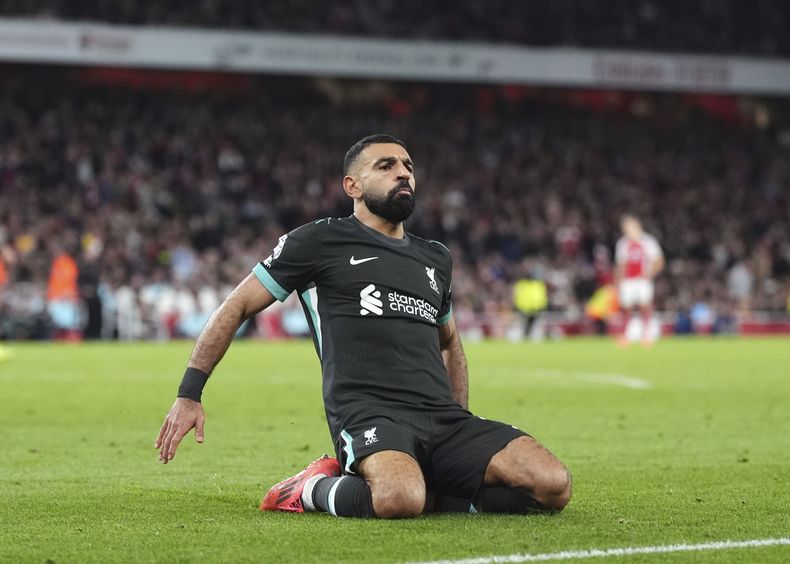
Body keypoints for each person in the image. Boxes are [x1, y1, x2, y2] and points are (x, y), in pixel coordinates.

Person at [155, 134, 571, 518]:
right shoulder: (318, 241)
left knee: (553, 486)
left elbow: (450, 344)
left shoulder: (435, 258)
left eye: (407, 165)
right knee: (400, 498)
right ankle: (310, 488)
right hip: (369, 412)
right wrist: (189, 393)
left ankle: (437, 489)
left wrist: (458, 422)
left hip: (441, 419)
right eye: (386, 166)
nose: (403, 172)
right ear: (352, 186)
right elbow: (238, 305)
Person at [614, 215, 664, 345]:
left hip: (642, 280)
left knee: (645, 306)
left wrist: (649, 274)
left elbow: (658, 261)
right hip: (628, 280)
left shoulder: (648, 241)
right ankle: (625, 335)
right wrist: (618, 281)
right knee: (626, 307)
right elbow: (620, 264)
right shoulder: (622, 243)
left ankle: (647, 334)